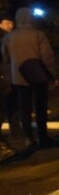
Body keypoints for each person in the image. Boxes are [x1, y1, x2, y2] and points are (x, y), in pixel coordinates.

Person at [0, 7, 59, 149]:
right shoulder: (39, 35)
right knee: (40, 108)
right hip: (39, 76)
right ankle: (43, 138)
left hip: (19, 78)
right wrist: (52, 75)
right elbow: (47, 57)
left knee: (24, 109)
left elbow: (5, 58)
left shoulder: (9, 37)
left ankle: (29, 139)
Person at [0, 15, 16, 160]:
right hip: (4, 79)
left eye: (11, 22)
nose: (11, 25)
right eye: (7, 22)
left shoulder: (8, 37)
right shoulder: (5, 38)